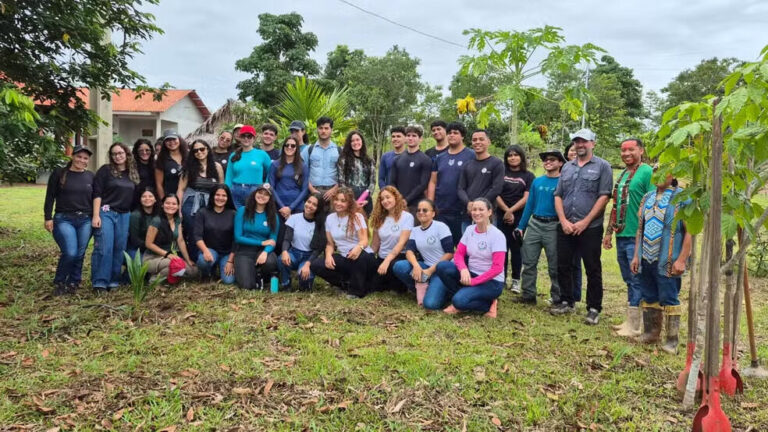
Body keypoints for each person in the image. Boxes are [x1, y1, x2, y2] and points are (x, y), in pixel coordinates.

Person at [551, 129, 613, 325]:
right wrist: (563, 221)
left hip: (590, 227)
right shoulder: (567, 167)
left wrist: (585, 222)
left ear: (593, 143)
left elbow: (604, 196)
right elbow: (558, 195)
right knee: (563, 265)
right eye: (577, 142)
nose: (580, 145)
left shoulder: (603, 166)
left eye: (584, 141)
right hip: (566, 225)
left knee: (592, 268)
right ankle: (566, 301)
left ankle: (594, 308)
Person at [631, 173, 692, 354]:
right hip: (646, 256)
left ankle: (672, 340)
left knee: (669, 297)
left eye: (663, 171)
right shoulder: (647, 197)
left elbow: (690, 232)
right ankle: (651, 333)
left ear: (672, 175)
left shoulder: (683, 197)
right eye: (655, 171)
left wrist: (682, 259)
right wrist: (636, 255)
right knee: (649, 294)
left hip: (668, 257)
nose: (657, 176)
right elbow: (640, 229)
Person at [603, 138, 655, 337]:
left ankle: (635, 325)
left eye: (631, 149)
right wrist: (608, 232)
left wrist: (645, 238)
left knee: (637, 278)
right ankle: (630, 319)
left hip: (637, 236)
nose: (626, 154)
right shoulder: (624, 173)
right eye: (623, 150)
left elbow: (651, 204)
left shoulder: (647, 172)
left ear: (641, 150)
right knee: (629, 278)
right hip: (621, 234)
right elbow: (616, 205)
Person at [435, 198, 506, 318]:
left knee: (459, 301)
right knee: (442, 266)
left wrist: (473, 282)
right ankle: (464, 296)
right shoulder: (469, 230)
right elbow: (458, 254)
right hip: (471, 273)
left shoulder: (497, 235)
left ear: (489, 212)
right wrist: (463, 269)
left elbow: (497, 268)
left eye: (481, 209)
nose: (477, 213)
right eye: (474, 209)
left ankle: (489, 303)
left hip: (492, 282)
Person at [514, 150, 566, 305]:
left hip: (554, 225)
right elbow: (529, 205)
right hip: (535, 224)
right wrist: (521, 226)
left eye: (552, 160)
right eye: (545, 160)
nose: (548, 162)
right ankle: (528, 295)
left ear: (560, 163)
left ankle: (557, 297)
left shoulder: (563, 182)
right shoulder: (537, 182)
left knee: (554, 265)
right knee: (529, 262)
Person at [43, 145, 94, 295]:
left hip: (85, 219)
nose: (81, 160)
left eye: (85, 158)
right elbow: (50, 196)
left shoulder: (91, 176)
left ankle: (74, 281)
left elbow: (96, 198)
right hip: (64, 218)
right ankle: (60, 281)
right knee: (70, 252)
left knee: (80, 253)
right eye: (79, 156)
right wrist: (47, 217)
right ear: (72, 156)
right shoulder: (60, 173)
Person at [310, 187, 376, 299]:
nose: (338, 203)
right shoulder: (330, 218)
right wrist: (329, 256)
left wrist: (358, 247)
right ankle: (345, 284)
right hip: (344, 256)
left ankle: (357, 292)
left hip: (362, 256)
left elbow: (364, 240)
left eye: (343, 201)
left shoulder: (357, 217)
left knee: (359, 257)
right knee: (316, 265)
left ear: (349, 203)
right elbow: (330, 244)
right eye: (336, 199)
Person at [91, 142, 139, 291]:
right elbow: (97, 193)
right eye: (114, 154)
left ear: (126, 154)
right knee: (105, 247)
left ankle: (113, 280)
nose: (118, 156)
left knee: (119, 248)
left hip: (124, 214)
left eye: (120, 153)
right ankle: (100, 281)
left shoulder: (132, 172)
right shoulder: (105, 171)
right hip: (106, 212)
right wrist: (96, 215)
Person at [392, 199, 454, 309]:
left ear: (433, 213)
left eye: (425, 210)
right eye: (419, 210)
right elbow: (409, 251)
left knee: (431, 305)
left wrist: (430, 271)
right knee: (399, 266)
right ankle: (420, 287)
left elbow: (449, 253)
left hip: (441, 270)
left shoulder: (441, 227)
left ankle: (446, 292)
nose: (421, 212)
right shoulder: (415, 230)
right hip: (425, 267)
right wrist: (416, 266)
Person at [496, 145, 535, 293]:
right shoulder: (501, 173)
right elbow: (496, 193)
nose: (513, 158)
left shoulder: (528, 176)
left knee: (516, 248)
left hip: (519, 217)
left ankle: (516, 281)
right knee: (501, 248)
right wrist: (506, 211)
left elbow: (527, 197)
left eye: (516, 155)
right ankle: (501, 278)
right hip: (500, 215)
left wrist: (511, 211)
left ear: (521, 157)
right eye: (510, 155)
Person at [428, 121, 474, 245]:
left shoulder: (471, 155)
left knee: (463, 247)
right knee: (442, 246)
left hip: (462, 211)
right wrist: (430, 204)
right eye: (449, 133)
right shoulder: (440, 158)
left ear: (462, 136)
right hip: (441, 209)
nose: (451, 135)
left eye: (455, 133)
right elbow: (433, 181)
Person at [177, 139, 224, 260]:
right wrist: (179, 209)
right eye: (195, 150)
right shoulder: (188, 168)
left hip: (211, 204)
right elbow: (181, 189)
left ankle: (208, 260)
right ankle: (194, 261)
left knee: (209, 232)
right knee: (193, 233)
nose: (199, 152)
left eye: (202, 149)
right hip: (191, 203)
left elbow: (221, 187)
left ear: (207, 149)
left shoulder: (217, 167)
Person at [233, 185, 280, 290]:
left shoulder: (273, 216)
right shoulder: (242, 211)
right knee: (247, 286)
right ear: (255, 193)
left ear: (270, 199)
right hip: (244, 252)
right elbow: (238, 237)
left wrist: (265, 251)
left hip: (261, 252)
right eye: (260, 192)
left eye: (266, 194)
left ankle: (264, 277)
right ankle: (255, 276)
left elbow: (273, 240)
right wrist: (261, 243)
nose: (262, 196)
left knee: (270, 262)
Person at [144, 194, 198, 283]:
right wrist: (168, 255)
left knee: (193, 271)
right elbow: (148, 244)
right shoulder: (156, 220)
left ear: (177, 206)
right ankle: (154, 281)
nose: (170, 206)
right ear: (162, 205)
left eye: (174, 204)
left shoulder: (177, 220)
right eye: (167, 203)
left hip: (170, 257)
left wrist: (188, 260)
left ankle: (160, 275)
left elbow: (180, 241)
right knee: (175, 264)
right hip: (152, 258)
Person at [457, 130, 504, 232]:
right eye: (474, 140)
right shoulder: (467, 165)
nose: (477, 142)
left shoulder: (497, 163)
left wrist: (479, 205)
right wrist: (468, 203)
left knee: (487, 246)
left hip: (487, 217)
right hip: (468, 216)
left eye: (481, 139)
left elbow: (496, 188)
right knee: (468, 246)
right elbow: (460, 188)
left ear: (488, 142)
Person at [369, 186, 413, 292]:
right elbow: (375, 245)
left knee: (396, 288)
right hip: (382, 258)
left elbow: (402, 243)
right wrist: (365, 256)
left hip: (398, 258)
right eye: (382, 199)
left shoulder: (407, 217)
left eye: (388, 197)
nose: (385, 201)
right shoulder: (379, 218)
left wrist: (387, 261)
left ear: (396, 197)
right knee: (372, 287)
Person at [278, 193, 326, 290]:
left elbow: (318, 249)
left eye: (314, 204)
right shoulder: (294, 218)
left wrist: (308, 264)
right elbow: (287, 238)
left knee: (305, 283)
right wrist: (284, 251)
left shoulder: (321, 223)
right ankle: (286, 283)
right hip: (294, 253)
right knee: (281, 259)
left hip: (309, 256)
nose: (310, 206)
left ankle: (303, 281)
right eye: (309, 202)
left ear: (318, 208)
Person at [194, 185, 236, 284]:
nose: (220, 198)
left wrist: (230, 261)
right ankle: (206, 273)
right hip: (209, 250)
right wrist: (205, 251)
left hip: (227, 253)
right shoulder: (202, 212)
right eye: (217, 195)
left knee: (229, 281)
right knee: (203, 261)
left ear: (228, 198)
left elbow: (236, 240)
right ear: (212, 196)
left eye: (224, 195)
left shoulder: (233, 214)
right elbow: (197, 236)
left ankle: (219, 269)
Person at [224, 125, 272, 208]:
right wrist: (226, 192)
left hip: (255, 191)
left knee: (252, 218)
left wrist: (265, 187)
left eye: (249, 136)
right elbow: (229, 176)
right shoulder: (233, 155)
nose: (246, 139)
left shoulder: (262, 154)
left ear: (254, 138)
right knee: (236, 217)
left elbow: (271, 171)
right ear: (240, 137)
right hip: (236, 190)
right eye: (243, 136)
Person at [390, 125, 432, 214]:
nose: (410, 138)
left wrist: (407, 200)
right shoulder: (397, 159)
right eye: (408, 135)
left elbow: (423, 184)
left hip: (416, 205)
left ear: (420, 139)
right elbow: (392, 181)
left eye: (414, 136)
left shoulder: (425, 160)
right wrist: (398, 199)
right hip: (398, 204)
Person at [300, 116, 340, 206]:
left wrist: (334, 190)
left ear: (331, 130)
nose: (323, 131)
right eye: (320, 128)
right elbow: (302, 172)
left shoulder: (339, 150)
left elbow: (343, 174)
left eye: (326, 128)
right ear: (317, 130)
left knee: (331, 219)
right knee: (314, 219)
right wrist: (312, 190)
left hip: (333, 192)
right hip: (313, 191)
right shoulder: (308, 149)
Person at [269, 136, 310, 219]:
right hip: (278, 206)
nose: (289, 147)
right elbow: (271, 187)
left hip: (297, 207)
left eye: (293, 146)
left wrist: (290, 208)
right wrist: (282, 207)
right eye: (287, 145)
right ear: (283, 147)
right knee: (279, 231)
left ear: (297, 148)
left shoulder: (303, 166)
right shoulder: (275, 165)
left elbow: (305, 189)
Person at [337, 130, 375, 215]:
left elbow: (372, 181)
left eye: (358, 140)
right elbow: (341, 181)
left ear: (362, 141)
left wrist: (366, 198)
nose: (355, 142)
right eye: (352, 141)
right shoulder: (343, 159)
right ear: (349, 143)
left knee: (363, 226)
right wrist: (351, 201)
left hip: (365, 199)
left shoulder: (369, 160)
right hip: (349, 197)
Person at [563, 141, 583, 302]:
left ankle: (575, 295)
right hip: (563, 223)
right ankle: (565, 296)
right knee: (564, 262)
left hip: (582, 223)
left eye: (576, 150)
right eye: (571, 150)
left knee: (576, 262)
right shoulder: (564, 169)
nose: (574, 152)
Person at [126, 187, 159, 262]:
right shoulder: (135, 215)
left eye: (150, 196)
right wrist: (151, 247)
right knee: (141, 264)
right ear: (140, 199)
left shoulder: (158, 215)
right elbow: (134, 240)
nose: (147, 198)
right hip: (135, 249)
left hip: (152, 248)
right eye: (144, 196)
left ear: (155, 199)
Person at [154, 130, 187, 199]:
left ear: (179, 140)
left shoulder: (188, 156)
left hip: (189, 198)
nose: (171, 142)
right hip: (171, 199)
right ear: (164, 143)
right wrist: (164, 201)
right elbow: (159, 184)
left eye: (174, 139)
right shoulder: (161, 160)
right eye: (168, 140)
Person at [378, 126, 406, 190]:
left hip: (406, 196)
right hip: (390, 195)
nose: (395, 139)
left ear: (405, 138)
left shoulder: (412, 156)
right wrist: (385, 192)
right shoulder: (385, 156)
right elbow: (381, 179)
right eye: (393, 136)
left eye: (398, 136)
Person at [131, 139, 155, 210]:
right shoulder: (132, 166)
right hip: (136, 201)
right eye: (141, 150)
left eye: (147, 150)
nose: (144, 152)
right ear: (136, 152)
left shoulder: (156, 165)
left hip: (153, 201)